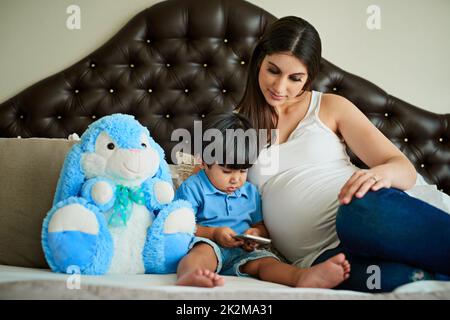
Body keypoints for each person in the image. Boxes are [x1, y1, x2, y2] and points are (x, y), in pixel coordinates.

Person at [238, 16, 450, 292]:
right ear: (259, 61)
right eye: (273, 71)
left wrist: (377, 174)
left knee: (356, 212)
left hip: (361, 214)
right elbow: (223, 197)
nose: (280, 88)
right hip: (320, 259)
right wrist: (255, 233)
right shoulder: (236, 127)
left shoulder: (329, 106)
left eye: (294, 78)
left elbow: (404, 170)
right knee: (402, 281)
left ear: (309, 78)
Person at [174, 112, 350, 288]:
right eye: (227, 172)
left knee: (267, 264)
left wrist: (255, 235)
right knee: (202, 254)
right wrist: (213, 234)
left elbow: (260, 226)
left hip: (243, 251)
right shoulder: (193, 188)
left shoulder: (250, 191)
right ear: (204, 162)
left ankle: (301, 277)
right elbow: (179, 225)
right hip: (210, 244)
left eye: (243, 171)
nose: (236, 179)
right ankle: (190, 275)